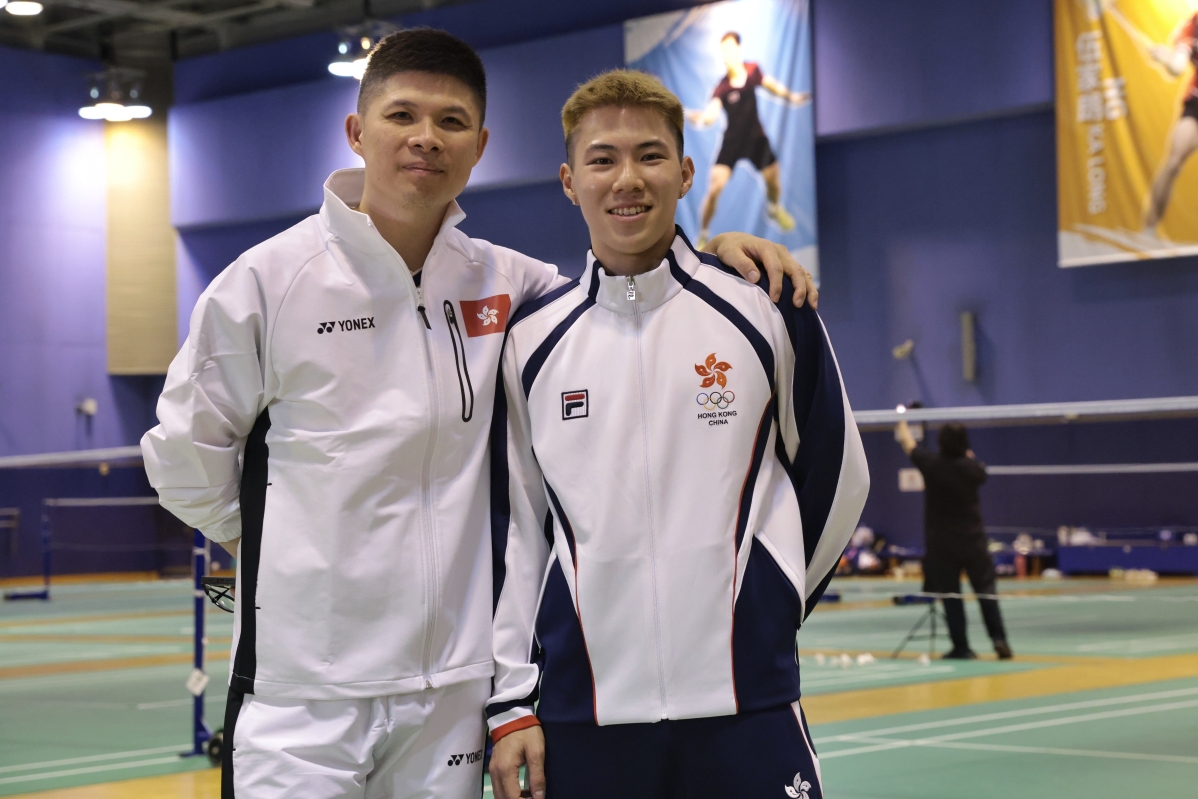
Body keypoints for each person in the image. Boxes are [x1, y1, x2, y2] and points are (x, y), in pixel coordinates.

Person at [141, 29, 818, 799]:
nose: (426, 137)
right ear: (358, 131)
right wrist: (281, 552)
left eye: (452, 122)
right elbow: (181, 459)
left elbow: (624, 283)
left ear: (480, 146)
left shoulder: (510, 283)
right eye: (402, 115)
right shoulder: (265, 283)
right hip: (304, 694)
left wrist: (719, 251)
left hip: (451, 702)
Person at [487, 70, 869, 799]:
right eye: (602, 159)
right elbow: (517, 533)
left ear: (686, 172)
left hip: (748, 709)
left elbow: (839, 477)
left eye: (650, 155)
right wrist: (511, 703)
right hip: (583, 715)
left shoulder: (768, 308)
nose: (627, 178)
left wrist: (767, 606)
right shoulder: (529, 342)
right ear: (569, 182)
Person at [896, 420, 1012, 661]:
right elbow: (979, 470)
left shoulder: (932, 463)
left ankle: (962, 647)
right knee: (986, 592)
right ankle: (999, 639)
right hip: (973, 542)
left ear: (941, 441)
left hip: (942, 545)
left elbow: (909, 446)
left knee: (951, 596)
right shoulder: (972, 468)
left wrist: (902, 423)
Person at [687, 31, 811, 248]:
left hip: (756, 139)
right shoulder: (721, 87)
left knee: (773, 181)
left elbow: (772, 86)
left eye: (730, 49)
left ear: (738, 50)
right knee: (715, 188)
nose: (726, 54)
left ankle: (773, 209)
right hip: (732, 143)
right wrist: (701, 119)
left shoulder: (753, 70)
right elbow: (710, 116)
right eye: (723, 51)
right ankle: (703, 236)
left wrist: (791, 97)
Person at [1144, 11, 1198, 232]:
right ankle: (1149, 230)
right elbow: (1177, 67)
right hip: (1196, 104)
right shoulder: (1193, 24)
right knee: (1174, 161)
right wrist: (1164, 58)